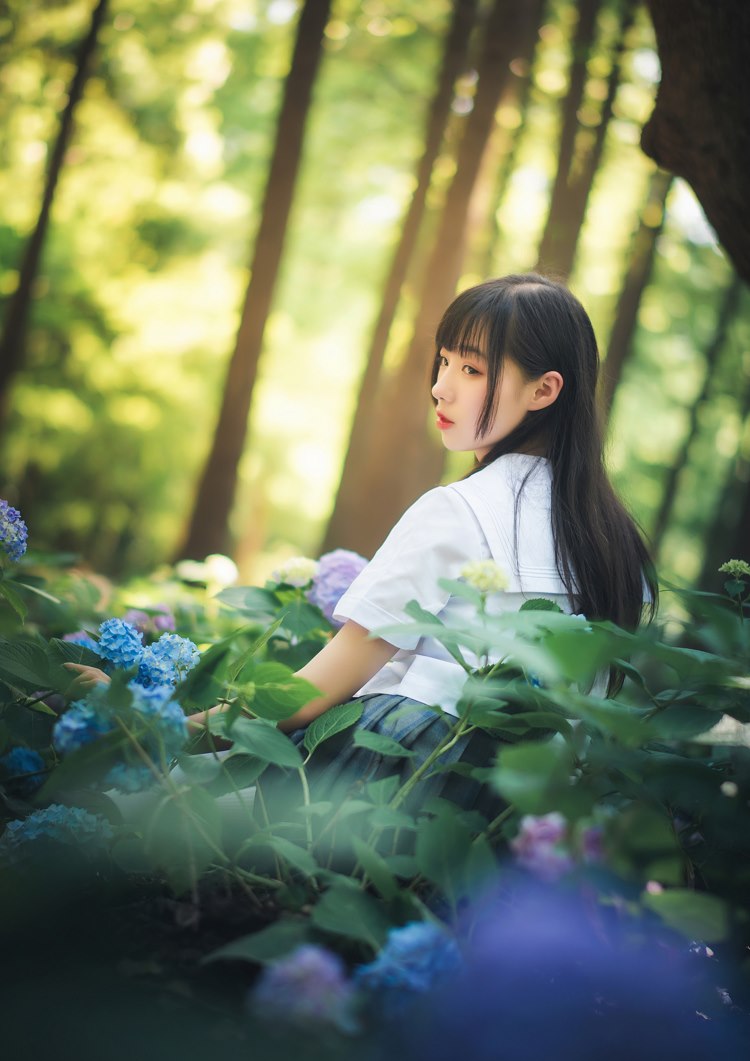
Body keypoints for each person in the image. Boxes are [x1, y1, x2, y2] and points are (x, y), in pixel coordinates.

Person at [66, 274, 658, 809]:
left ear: (544, 390)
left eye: (472, 370)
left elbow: (313, 693)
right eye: (444, 361)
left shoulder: (457, 512)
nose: (440, 388)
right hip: (515, 825)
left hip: (387, 793)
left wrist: (158, 725)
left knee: (137, 814)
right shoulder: (616, 546)